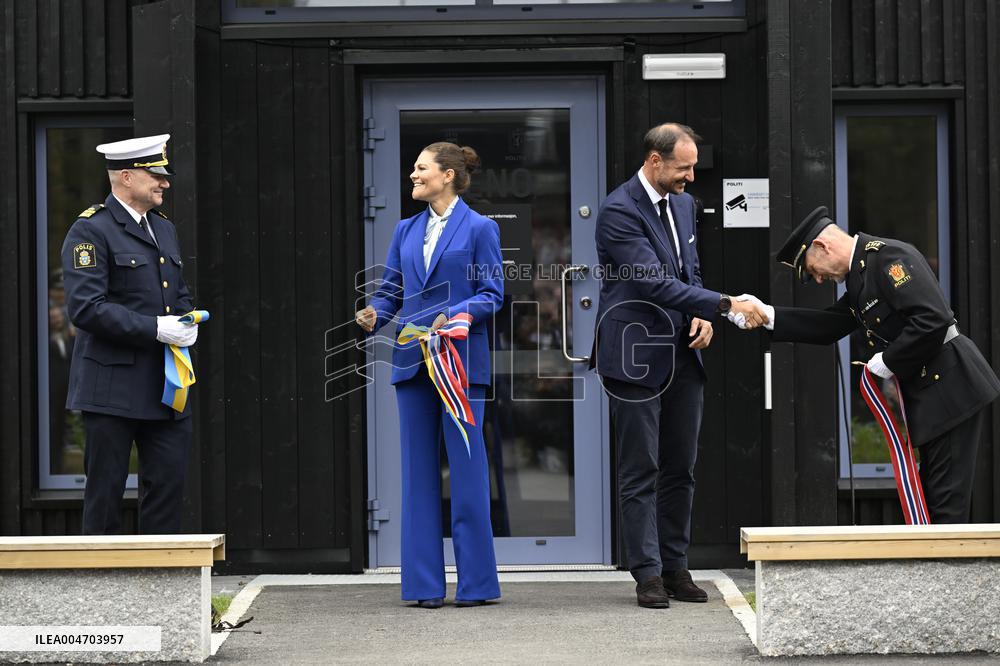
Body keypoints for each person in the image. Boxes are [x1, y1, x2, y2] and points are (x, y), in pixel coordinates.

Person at [592, 123, 766, 609]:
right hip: (634, 356)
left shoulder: (685, 204)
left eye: (692, 167)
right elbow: (652, 282)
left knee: (680, 468)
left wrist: (701, 316)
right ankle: (647, 574)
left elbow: (689, 271)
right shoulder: (617, 210)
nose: (691, 176)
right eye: (683, 167)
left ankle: (675, 568)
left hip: (683, 353)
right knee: (640, 468)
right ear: (654, 160)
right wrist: (725, 305)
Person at [733, 205, 1000, 523]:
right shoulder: (861, 277)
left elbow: (933, 319)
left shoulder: (888, 259)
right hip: (933, 395)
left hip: (951, 390)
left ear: (822, 245)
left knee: (945, 507)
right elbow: (829, 325)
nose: (818, 278)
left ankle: (946, 560)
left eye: (813, 269)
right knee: (932, 501)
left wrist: (889, 360)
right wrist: (768, 314)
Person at [355, 142, 504, 608]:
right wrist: (375, 313)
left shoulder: (481, 228)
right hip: (412, 364)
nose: (413, 176)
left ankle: (477, 585)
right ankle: (423, 586)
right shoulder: (405, 229)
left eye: (421, 168)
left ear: (448, 176)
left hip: (460, 365)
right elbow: (391, 291)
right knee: (417, 477)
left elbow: (492, 293)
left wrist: (454, 316)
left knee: (468, 474)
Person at [61, 134, 200, 535]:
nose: (165, 183)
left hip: (166, 387)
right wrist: (155, 328)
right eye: (155, 175)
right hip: (111, 389)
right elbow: (87, 308)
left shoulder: (163, 229)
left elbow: (177, 293)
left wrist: (186, 321)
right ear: (126, 177)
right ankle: (99, 578)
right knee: (104, 498)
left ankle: (161, 577)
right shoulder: (91, 231)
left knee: (167, 493)